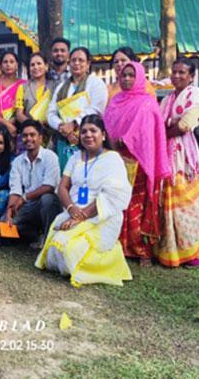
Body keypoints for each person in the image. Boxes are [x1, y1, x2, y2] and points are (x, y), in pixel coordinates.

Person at [35, 115, 133, 287]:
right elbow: (62, 187)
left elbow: (112, 196)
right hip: (74, 212)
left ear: (103, 135)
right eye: (84, 131)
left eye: (93, 131)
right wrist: (72, 209)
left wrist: (80, 217)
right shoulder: (76, 157)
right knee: (53, 255)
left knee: (66, 252)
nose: (88, 135)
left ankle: (112, 259)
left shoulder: (112, 159)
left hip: (101, 217)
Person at [104, 61, 171, 266]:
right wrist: (112, 142)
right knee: (117, 201)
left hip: (139, 161)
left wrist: (130, 140)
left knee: (137, 206)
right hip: (116, 159)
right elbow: (106, 126)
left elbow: (149, 133)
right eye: (124, 75)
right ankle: (119, 246)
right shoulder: (115, 102)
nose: (126, 79)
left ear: (140, 77)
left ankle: (142, 251)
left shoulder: (147, 103)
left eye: (131, 75)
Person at [158, 58, 199, 268]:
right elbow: (158, 123)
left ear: (191, 76)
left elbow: (185, 125)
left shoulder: (196, 95)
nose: (176, 76)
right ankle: (173, 250)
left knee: (189, 205)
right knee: (170, 204)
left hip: (185, 158)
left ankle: (196, 252)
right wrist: (168, 126)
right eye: (174, 72)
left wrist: (166, 129)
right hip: (167, 155)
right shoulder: (168, 99)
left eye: (182, 73)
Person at [47, 47, 108, 171]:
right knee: (65, 176)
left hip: (88, 137)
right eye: (73, 60)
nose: (77, 63)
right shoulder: (61, 87)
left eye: (81, 60)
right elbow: (51, 112)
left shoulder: (96, 84)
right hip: (64, 139)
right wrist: (61, 127)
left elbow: (97, 109)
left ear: (88, 64)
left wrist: (74, 124)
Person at [6, 120, 61, 248]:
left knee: (47, 199)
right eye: (25, 136)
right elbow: (15, 190)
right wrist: (10, 210)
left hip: (46, 204)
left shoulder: (50, 157)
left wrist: (24, 198)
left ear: (40, 138)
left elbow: (49, 186)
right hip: (28, 206)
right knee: (6, 222)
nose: (28, 138)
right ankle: (36, 235)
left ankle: (49, 241)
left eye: (32, 135)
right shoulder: (18, 161)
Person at [0, 51, 27, 138]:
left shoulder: (24, 84)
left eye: (12, 62)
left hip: (19, 130)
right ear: (1, 66)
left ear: (17, 65)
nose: (8, 65)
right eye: (5, 62)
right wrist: (7, 124)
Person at [15, 52, 56, 125]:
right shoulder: (23, 87)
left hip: (51, 129)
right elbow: (19, 115)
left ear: (46, 66)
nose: (36, 67)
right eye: (32, 65)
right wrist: (34, 125)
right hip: (30, 131)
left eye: (39, 63)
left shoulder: (55, 86)